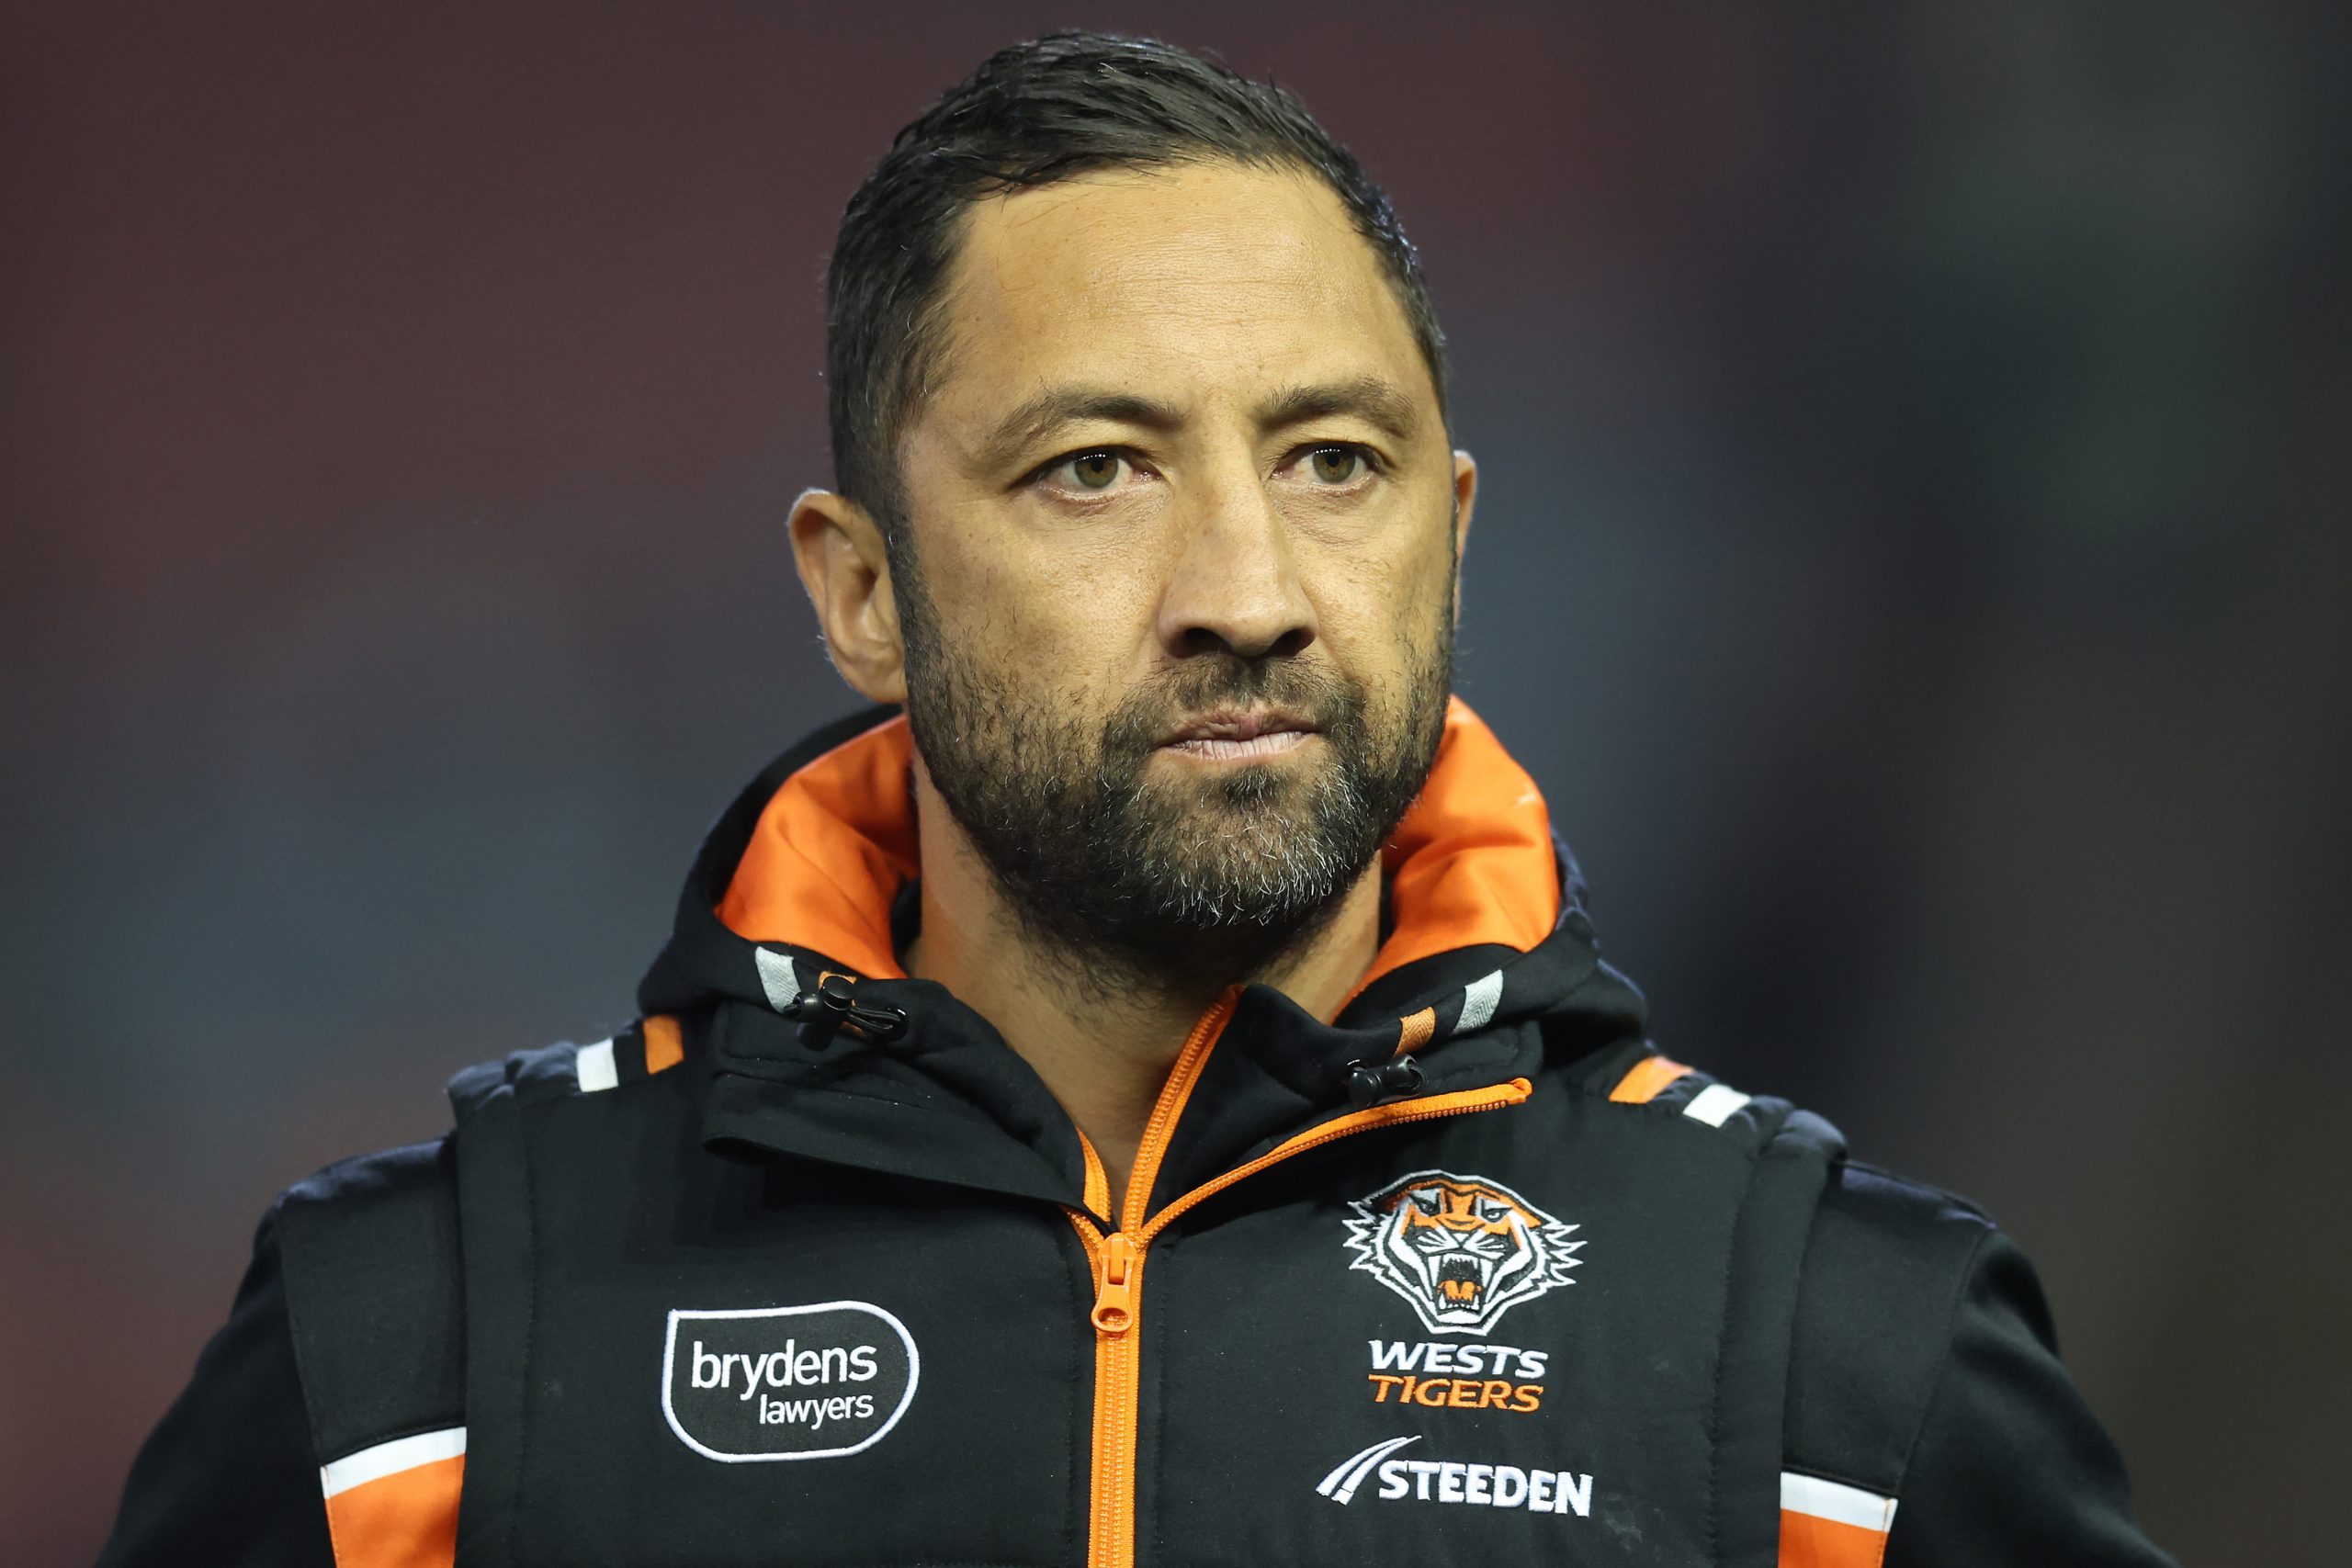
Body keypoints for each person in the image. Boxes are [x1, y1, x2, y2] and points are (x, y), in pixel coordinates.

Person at [99, 31, 2173, 1568]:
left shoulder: (1834, 1359)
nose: (1245, 595)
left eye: (1331, 461)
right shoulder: (420, 1351)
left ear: (1449, 533)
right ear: (858, 589)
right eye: (1094, 466)